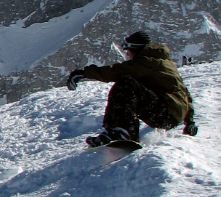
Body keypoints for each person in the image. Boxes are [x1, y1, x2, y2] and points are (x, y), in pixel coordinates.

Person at [66, 31, 198, 146]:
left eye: (127, 51)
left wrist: (83, 73)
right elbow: (183, 93)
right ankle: (116, 132)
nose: (127, 55)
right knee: (130, 86)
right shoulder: (164, 63)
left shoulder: (147, 62)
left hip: (165, 113)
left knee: (126, 83)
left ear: (135, 49)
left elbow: (117, 71)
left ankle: (123, 132)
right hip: (170, 114)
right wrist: (189, 121)